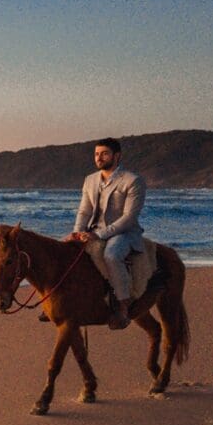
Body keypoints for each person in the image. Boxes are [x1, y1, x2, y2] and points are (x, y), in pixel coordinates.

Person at [66, 137, 147, 330]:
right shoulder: (90, 180)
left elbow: (129, 217)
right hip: (93, 231)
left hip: (124, 233)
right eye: (96, 154)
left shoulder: (132, 181)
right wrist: (77, 232)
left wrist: (99, 235)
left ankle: (123, 304)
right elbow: (84, 211)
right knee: (61, 249)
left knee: (111, 255)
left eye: (104, 153)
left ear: (116, 156)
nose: (99, 158)